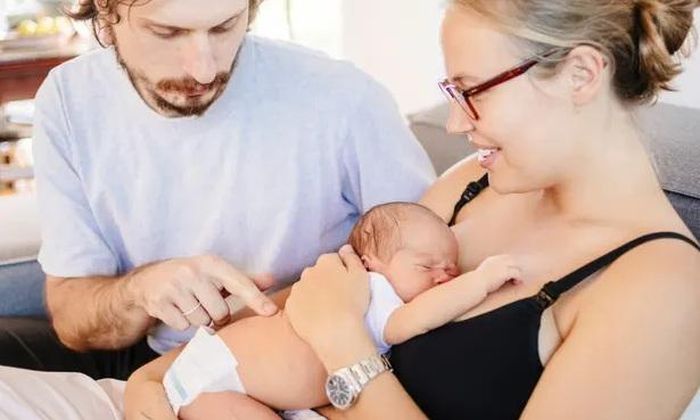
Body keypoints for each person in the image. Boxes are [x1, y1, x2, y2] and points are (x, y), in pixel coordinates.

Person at [281, 0, 700, 419]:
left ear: (581, 74)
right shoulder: (475, 182)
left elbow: (336, 319)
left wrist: (343, 345)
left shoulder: (664, 289)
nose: (455, 124)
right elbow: (341, 294)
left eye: (472, 91)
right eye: (452, 93)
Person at [0, 0, 435, 380]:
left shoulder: (343, 98)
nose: (204, 69)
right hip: (153, 357)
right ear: (105, 10)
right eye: (167, 32)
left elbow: (438, 267)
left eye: (225, 26)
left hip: (296, 364)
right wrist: (141, 291)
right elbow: (72, 316)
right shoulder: (69, 99)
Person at [123, 202, 522, 419]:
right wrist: (478, 281)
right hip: (214, 383)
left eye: (451, 268)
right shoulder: (374, 292)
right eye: (427, 266)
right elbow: (418, 319)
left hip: (215, 378)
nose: (444, 275)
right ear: (370, 263)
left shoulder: (344, 285)